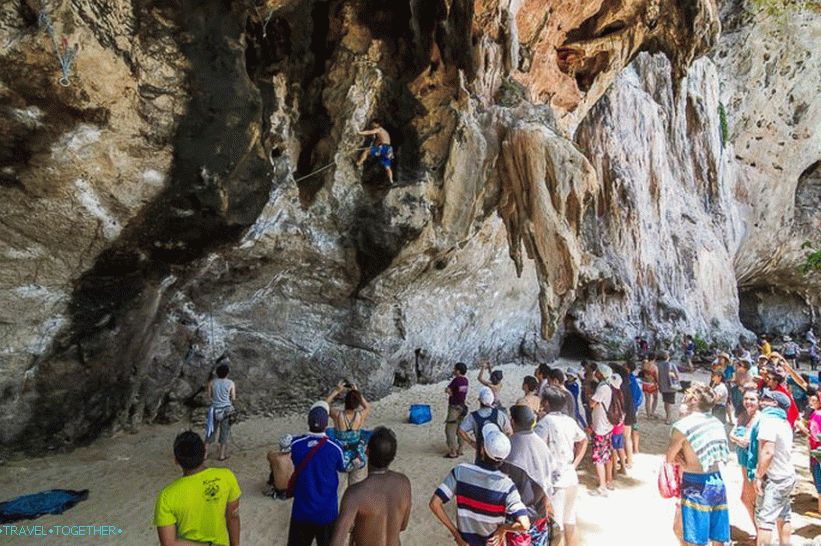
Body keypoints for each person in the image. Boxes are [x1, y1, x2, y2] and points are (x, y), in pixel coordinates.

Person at [430, 423, 530, 545]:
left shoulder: (460, 471)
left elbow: (434, 504)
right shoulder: (507, 486)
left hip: (466, 542)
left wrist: (456, 534)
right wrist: (503, 529)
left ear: (482, 450)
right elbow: (524, 525)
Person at [665, 384, 730, 546]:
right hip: (717, 481)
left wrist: (680, 459)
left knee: (695, 539)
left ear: (694, 400)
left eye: (689, 394)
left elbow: (669, 457)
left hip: (694, 483)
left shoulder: (683, 426)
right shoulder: (716, 423)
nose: (686, 395)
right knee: (717, 537)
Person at [154, 431, 241, 546]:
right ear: (204, 452)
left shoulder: (167, 495)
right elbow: (233, 517)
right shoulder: (226, 477)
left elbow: (169, 543)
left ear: (176, 460)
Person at [329, 427, 412, 546]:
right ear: (393, 456)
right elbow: (403, 525)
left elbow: (336, 542)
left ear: (367, 451)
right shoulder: (404, 483)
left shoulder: (355, 494)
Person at [535, 387, 588, 546]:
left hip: (556, 481)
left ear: (546, 403)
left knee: (556, 526)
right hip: (570, 475)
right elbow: (583, 439)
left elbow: (536, 447)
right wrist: (575, 463)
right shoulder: (569, 421)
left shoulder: (546, 423)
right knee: (570, 520)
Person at [288, 403, 347, 546]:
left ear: (308, 422)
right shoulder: (335, 447)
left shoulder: (296, 445)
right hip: (327, 512)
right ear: (326, 424)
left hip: (301, 510)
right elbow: (342, 467)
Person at [501, 405, 554, 541]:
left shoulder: (509, 448)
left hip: (518, 517)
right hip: (540, 512)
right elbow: (549, 480)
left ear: (512, 422)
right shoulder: (542, 445)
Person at [752, 389, 795, 546]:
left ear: (775, 404)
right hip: (787, 475)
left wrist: (758, 476)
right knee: (784, 514)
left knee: (765, 520)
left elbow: (768, 451)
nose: (761, 401)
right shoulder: (784, 422)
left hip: (776, 479)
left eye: (766, 399)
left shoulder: (769, 422)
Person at [325, 381, 372, 485]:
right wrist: (357, 392)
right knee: (355, 489)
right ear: (357, 403)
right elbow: (367, 407)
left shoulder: (337, 415)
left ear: (345, 402)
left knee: (339, 490)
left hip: (341, 457)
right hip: (357, 457)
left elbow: (325, 405)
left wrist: (337, 391)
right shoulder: (360, 415)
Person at [729, 387, 760, 529]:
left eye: (752, 399)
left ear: (759, 401)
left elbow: (745, 441)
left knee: (750, 499)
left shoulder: (759, 418)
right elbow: (732, 435)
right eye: (746, 399)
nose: (748, 402)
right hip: (743, 461)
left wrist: (736, 438)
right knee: (746, 498)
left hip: (753, 464)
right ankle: (758, 530)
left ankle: (760, 532)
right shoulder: (742, 415)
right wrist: (737, 438)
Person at [459, 387, 513, 464]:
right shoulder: (500, 414)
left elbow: (461, 430)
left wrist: (471, 442)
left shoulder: (473, 416)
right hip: (498, 453)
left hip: (481, 453)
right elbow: (510, 432)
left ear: (480, 401)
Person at [589, 364, 615, 495]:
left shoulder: (603, 388)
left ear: (601, 374)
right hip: (607, 426)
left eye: (597, 371)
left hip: (600, 427)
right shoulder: (608, 386)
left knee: (598, 457)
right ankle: (609, 480)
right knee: (607, 454)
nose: (596, 373)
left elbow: (591, 403)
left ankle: (602, 486)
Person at [795, 388, 821, 517]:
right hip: (815, 451)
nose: (812, 402)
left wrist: (802, 428)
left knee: (818, 477)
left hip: (817, 452)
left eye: (815, 400)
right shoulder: (812, 412)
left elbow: (815, 435)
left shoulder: (817, 415)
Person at [205, 359, 236, 461]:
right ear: (227, 373)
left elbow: (209, 397)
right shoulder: (231, 383)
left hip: (214, 409)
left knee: (210, 431)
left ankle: (204, 454)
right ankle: (221, 455)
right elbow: (233, 397)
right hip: (226, 410)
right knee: (224, 432)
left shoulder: (212, 383)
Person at [445, 362, 470, 458]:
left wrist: (449, 392)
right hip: (462, 407)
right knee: (460, 428)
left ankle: (452, 451)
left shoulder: (456, 380)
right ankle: (461, 449)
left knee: (450, 429)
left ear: (458, 371)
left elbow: (448, 389)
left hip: (454, 407)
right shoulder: (466, 381)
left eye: (455, 369)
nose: (453, 370)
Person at [356, 120, 393, 184]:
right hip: (389, 149)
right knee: (387, 167)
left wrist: (359, 133)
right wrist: (373, 149)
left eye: (373, 124)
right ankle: (391, 180)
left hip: (383, 147)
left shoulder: (379, 129)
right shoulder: (384, 132)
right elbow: (377, 143)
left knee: (367, 151)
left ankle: (359, 163)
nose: (372, 125)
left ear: (377, 124)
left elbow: (369, 132)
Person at [613, 364, 636, 468]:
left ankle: (625, 460)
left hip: (624, 413)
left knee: (625, 438)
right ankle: (629, 460)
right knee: (627, 437)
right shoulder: (626, 383)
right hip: (630, 411)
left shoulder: (619, 386)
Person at [608, 373, 628, 475]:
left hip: (614, 425)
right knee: (620, 447)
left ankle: (614, 470)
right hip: (620, 425)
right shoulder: (621, 393)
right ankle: (623, 468)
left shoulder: (612, 395)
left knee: (613, 449)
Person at [265, 434, 294, 499]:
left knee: (274, 465)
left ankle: (272, 483)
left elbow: (269, 456)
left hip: (280, 489)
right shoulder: (297, 455)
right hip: (293, 488)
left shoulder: (275, 457)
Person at [657, 351, 681, 425]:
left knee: (666, 402)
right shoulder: (671, 364)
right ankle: (668, 418)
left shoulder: (658, 365)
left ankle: (667, 416)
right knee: (669, 403)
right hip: (671, 386)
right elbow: (677, 375)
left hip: (663, 386)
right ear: (667, 357)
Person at [625, 360, 643, 455]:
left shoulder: (628, 380)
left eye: (624, 365)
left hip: (630, 407)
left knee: (629, 430)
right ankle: (636, 449)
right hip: (634, 407)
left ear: (627, 368)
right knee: (635, 427)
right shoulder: (633, 379)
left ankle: (632, 450)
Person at [641, 354, 659, 419]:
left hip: (645, 383)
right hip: (652, 384)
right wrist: (658, 383)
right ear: (654, 359)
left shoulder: (644, 365)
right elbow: (656, 377)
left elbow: (642, 374)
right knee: (655, 398)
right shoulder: (654, 367)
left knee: (647, 400)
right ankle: (652, 412)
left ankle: (648, 415)